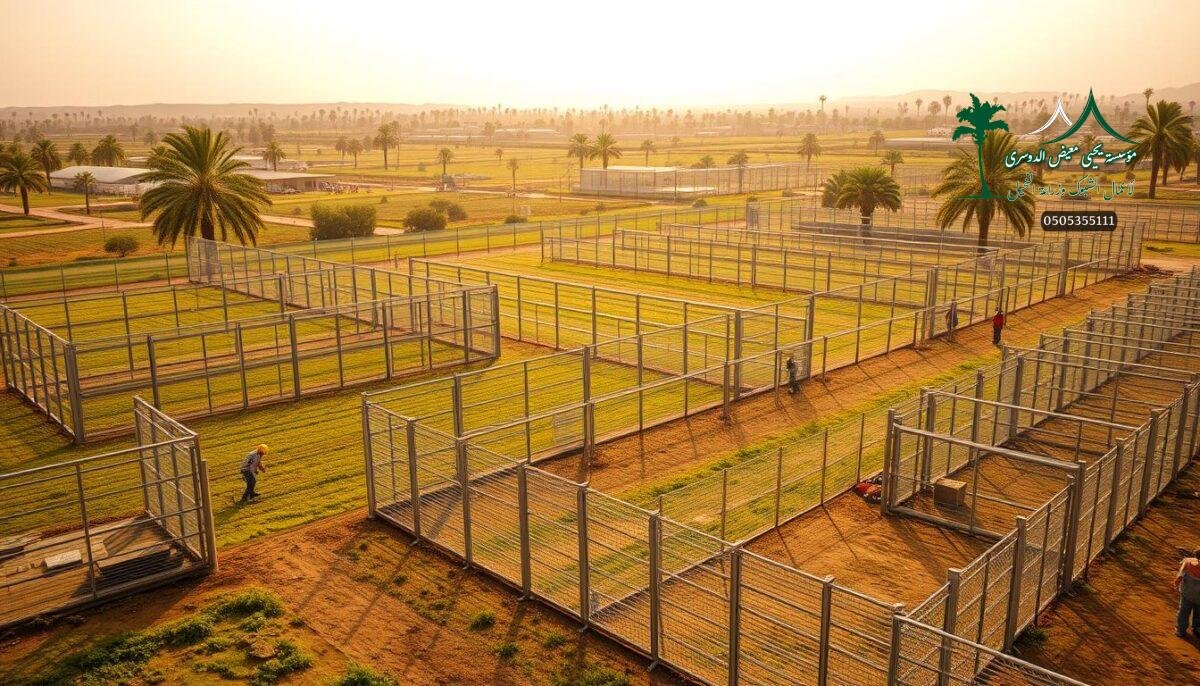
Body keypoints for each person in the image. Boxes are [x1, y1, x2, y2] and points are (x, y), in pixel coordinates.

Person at [1174, 549, 1200, 637]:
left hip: (1187, 593)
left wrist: (1176, 584)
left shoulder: (1188, 562)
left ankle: (1180, 630)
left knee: (1184, 611)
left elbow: (1180, 576)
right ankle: (1197, 629)